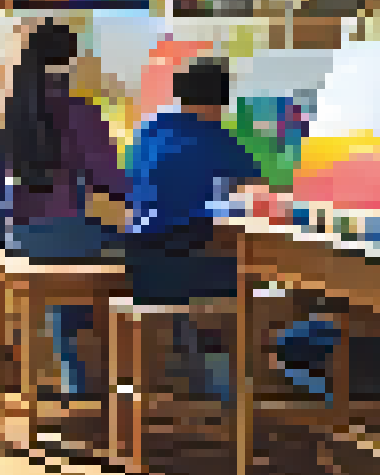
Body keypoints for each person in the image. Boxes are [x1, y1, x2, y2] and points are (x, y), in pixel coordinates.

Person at [47, 60, 261, 402]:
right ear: (218, 103)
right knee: (251, 281)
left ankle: (198, 376)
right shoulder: (215, 138)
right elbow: (257, 188)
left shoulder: (148, 131)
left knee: (200, 261)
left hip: (137, 261)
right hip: (172, 272)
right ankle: (231, 388)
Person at [0, 21, 130, 400]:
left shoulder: (7, 112)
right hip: (68, 234)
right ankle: (134, 376)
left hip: (17, 235)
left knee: (69, 268)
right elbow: (111, 180)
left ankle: (77, 377)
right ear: (71, 60)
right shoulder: (79, 111)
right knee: (142, 249)